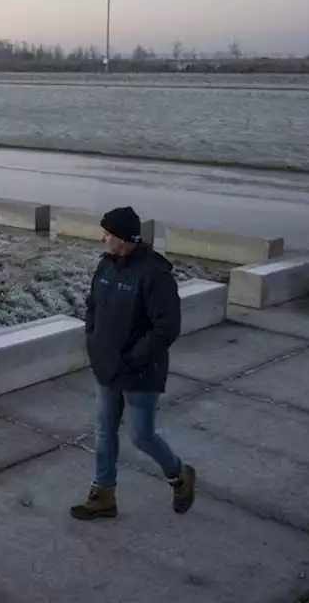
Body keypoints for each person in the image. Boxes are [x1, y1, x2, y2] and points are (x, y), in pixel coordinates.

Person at [70, 206, 197, 520]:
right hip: (107, 367)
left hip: (140, 372)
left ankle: (180, 475)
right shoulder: (106, 267)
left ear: (125, 239)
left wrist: (133, 358)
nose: (103, 239)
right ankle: (103, 494)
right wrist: (94, 342)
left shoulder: (154, 274)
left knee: (141, 436)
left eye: (108, 234)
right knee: (103, 432)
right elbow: (92, 308)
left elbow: (166, 328)